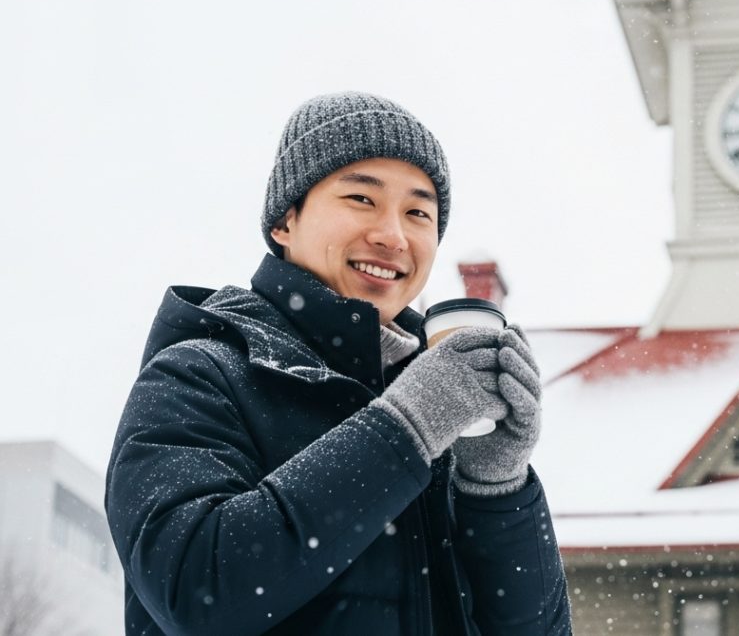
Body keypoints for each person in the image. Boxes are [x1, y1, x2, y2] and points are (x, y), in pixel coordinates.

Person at [105, 91, 572, 635]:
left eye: (418, 212)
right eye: (361, 199)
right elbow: (198, 591)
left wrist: (497, 486)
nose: (393, 235)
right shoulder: (195, 375)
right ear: (285, 221)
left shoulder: (442, 414)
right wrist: (406, 427)